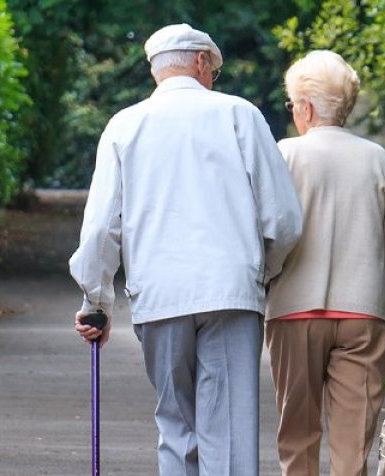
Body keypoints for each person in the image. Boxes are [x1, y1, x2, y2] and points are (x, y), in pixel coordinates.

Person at [69, 23, 303, 476]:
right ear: (200, 62)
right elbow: (283, 219)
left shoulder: (124, 125)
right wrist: (263, 272)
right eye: (213, 69)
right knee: (229, 433)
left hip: (159, 294)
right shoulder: (240, 115)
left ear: (155, 71)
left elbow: (100, 227)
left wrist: (95, 301)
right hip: (231, 292)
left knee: (176, 426)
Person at [264, 50, 385, 476]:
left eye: (293, 105)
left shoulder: (284, 154)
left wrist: (265, 279)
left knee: (297, 438)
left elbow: (269, 232)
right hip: (364, 315)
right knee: (352, 448)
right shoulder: (377, 159)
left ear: (306, 108)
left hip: (293, 311)